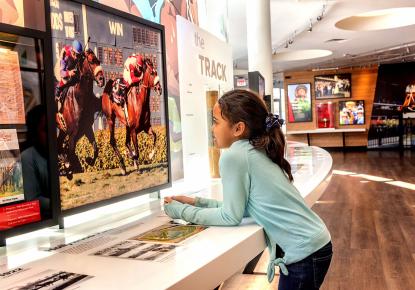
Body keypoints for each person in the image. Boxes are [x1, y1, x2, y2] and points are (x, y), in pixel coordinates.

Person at [164, 89, 332, 290]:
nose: (212, 128)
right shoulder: (254, 150)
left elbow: (230, 216)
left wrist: (181, 212)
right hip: (314, 246)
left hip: (305, 253)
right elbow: (243, 208)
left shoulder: (234, 156)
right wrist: (198, 203)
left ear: (238, 128)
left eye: (216, 121)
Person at [21, 105, 51, 218]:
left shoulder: (57, 153)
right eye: (46, 130)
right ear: (35, 132)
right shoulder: (27, 158)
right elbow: (32, 200)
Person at [55, 40, 84, 128]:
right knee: (65, 80)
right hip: (61, 70)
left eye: (78, 55)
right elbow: (62, 73)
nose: (76, 57)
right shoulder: (66, 55)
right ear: (72, 51)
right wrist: (68, 73)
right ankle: (57, 96)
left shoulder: (78, 55)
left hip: (70, 69)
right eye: (75, 54)